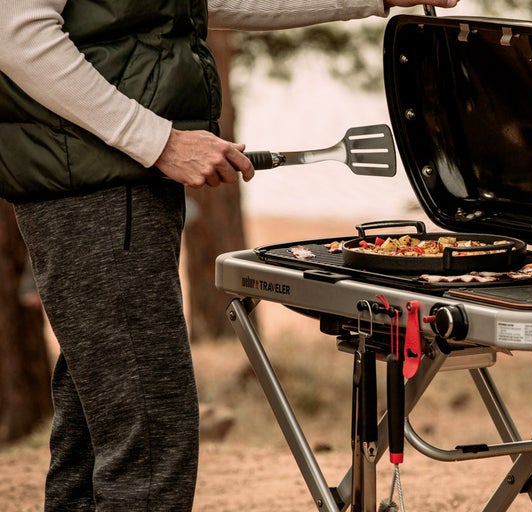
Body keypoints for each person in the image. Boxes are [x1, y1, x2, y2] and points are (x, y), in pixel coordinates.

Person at [0, 0, 458, 510]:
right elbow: (16, 31)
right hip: (98, 184)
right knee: (151, 437)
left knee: (96, 423)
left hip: (108, 178)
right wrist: (160, 142)